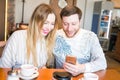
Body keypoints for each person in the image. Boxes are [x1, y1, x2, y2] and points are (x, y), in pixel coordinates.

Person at [53, 5, 107, 76]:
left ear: (79, 21)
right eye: (65, 24)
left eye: (74, 24)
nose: (69, 29)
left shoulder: (90, 37)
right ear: (62, 22)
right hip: (60, 76)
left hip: (82, 76)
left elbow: (102, 63)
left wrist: (82, 68)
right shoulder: (55, 35)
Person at [0, 3, 58, 68]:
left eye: (52, 24)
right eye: (45, 23)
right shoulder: (17, 37)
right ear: (35, 20)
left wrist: (43, 68)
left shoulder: (47, 41)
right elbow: (3, 68)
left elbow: (41, 65)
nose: (49, 27)